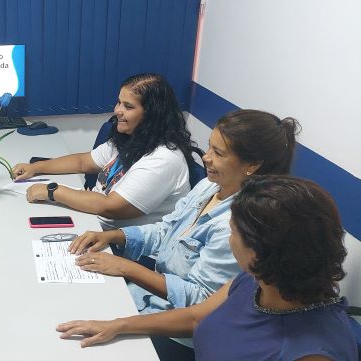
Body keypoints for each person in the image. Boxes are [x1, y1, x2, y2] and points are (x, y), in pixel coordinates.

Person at [68, 110, 300, 356]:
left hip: (177, 333)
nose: (206, 158)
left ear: (252, 165)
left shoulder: (239, 226)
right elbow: (166, 229)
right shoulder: (210, 185)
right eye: (209, 147)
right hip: (148, 302)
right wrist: (115, 237)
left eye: (218, 153)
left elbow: (198, 303)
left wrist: (127, 268)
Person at [57, 176, 358, 360]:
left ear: (260, 251)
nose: (229, 238)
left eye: (233, 232)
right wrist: (116, 325)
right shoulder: (255, 281)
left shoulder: (313, 351)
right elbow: (194, 316)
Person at [12, 73, 199, 230]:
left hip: (120, 246)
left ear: (152, 114)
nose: (117, 110)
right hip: (92, 220)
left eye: (128, 106)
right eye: (119, 102)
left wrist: (52, 191)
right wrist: (36, 167)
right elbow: (83, 162)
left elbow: (111, 207)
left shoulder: (163, 159)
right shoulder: (131, 136)